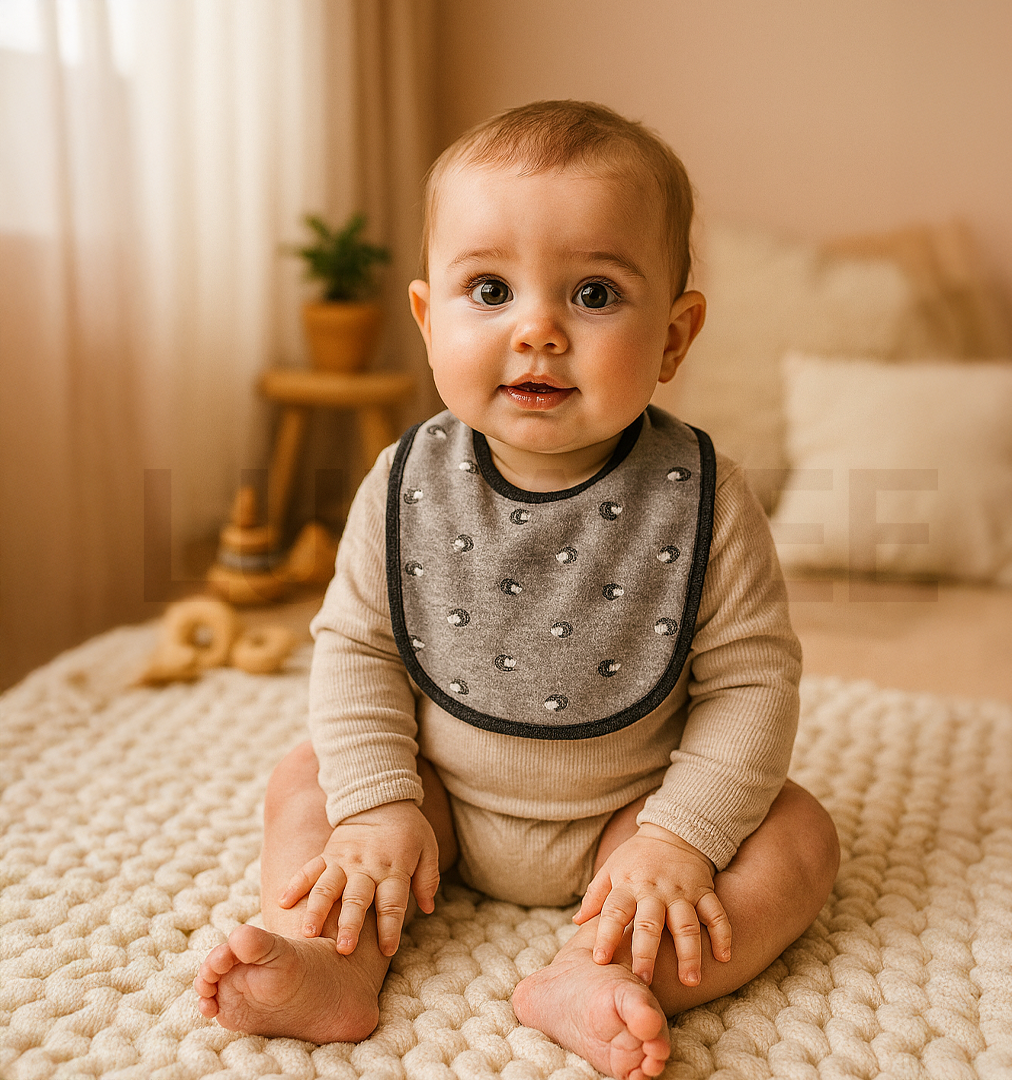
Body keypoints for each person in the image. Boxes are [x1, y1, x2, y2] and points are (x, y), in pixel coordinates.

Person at [195, 100, 839, 1080]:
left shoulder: (705, 498)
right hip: (435, 800)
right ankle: (332, 956)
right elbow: (359, 650)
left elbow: (753, 685)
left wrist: (680, 835)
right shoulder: (403, 482)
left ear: (675, 335)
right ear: (428, 320)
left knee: (799, 838)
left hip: (633, 811)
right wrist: (375, 806)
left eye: (592, 294)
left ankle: (603, 973)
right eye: (489, 288)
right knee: (306, 779)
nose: (536, 328)